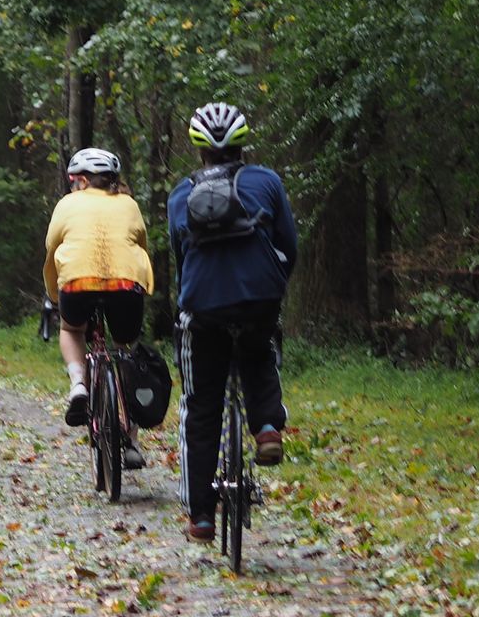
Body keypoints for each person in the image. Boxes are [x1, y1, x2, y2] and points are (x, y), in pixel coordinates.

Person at [166, 102, 298, 543]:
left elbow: (181, 261)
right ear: (241, 144)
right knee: (260, 352)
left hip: (204, 311)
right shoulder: (267, 182)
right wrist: (271, 288)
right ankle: (266, 428)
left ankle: (201, 517)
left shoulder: (180, 196)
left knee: (201, 410)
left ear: (199, 149)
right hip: (258, 299)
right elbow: (288, 245)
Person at [43, 146, 156, 470]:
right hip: (125, 284)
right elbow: (141, 247)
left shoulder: (67, 204)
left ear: (78, 180)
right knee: (125, 352)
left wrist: (53, 294)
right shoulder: (129, 204)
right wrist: (144, 287)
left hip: (77, 282)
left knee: (71, 328)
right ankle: (132, 441)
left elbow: (52, 251)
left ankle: (78, 383)